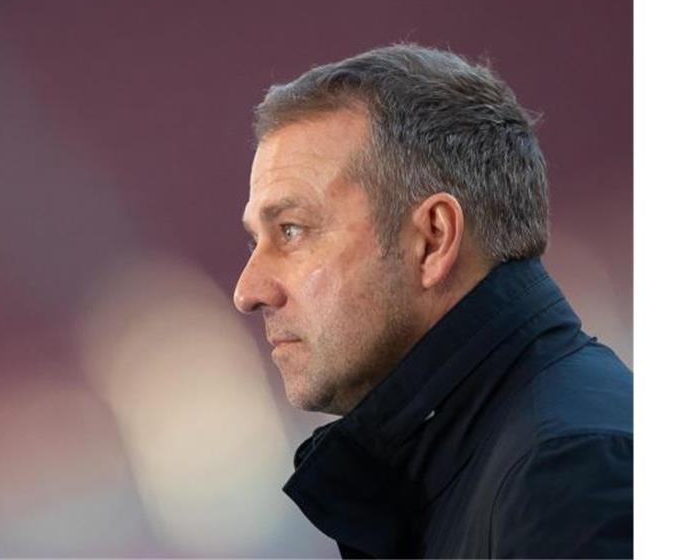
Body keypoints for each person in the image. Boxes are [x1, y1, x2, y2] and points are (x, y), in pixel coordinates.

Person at [233, 44, 632, 559]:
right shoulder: (483, 469)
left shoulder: (569, 474)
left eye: (292, 231)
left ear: (432, 239)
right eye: (255, 241)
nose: (249, 291)